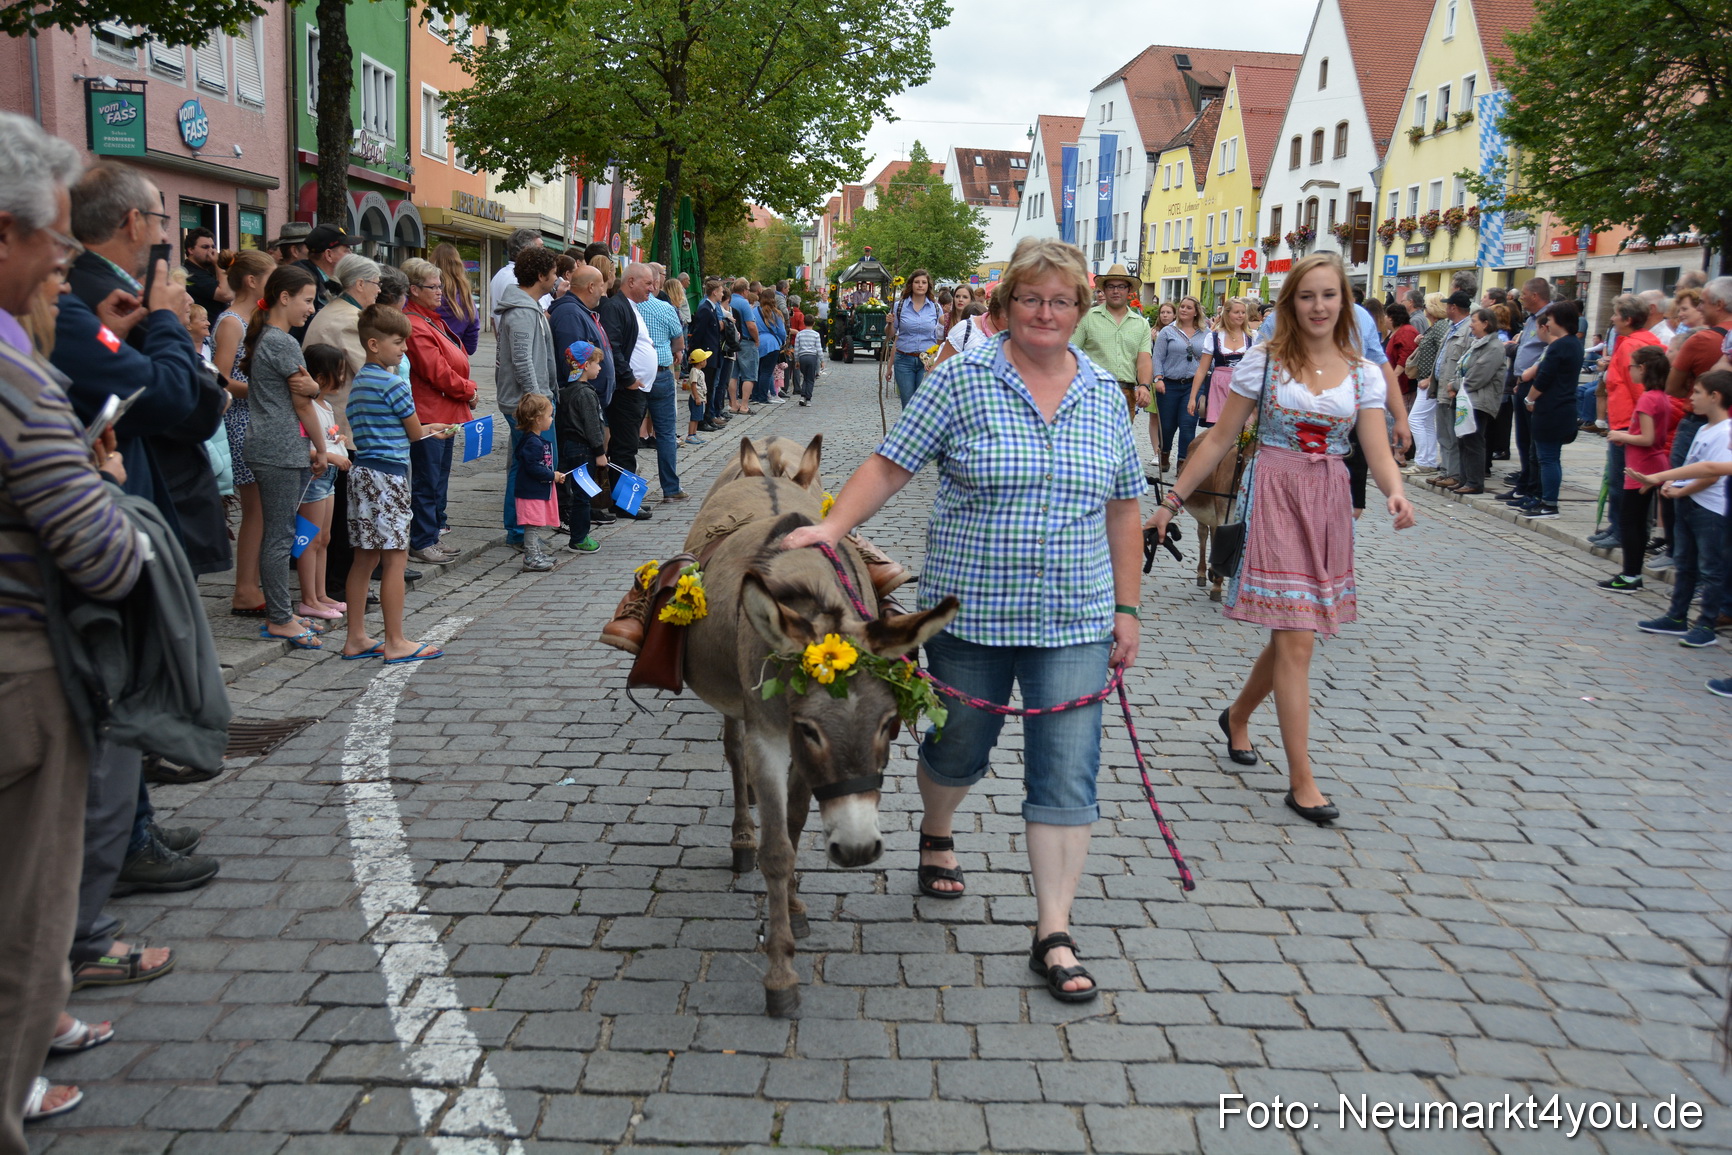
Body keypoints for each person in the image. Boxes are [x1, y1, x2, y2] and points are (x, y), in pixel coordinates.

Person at [783, 238, 1146, 1003]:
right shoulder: (961, 380)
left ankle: (1053, 928)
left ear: (1082, 310)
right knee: (956, 751)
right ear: (1005, 304)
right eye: (1030, 299)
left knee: (1066, 773)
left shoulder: (1106, 395)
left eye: (1060, 301)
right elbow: (891, 462)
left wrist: (1127, 607)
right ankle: (937, 829)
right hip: (973, 611)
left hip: (1075, 617)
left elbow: (1122, 508)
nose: (1045, 313)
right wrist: (828, 524)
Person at [0, 110, 150, 1145]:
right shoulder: (15, 377)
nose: (64, 263)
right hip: (20, 675)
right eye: (54, 242)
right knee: (24, 919)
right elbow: (97, 553)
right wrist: (113, 504)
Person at [1147, 252, 1415, 827]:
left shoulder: (1363, 372)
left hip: (1326, 502)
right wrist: (1171, 502)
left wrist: (1394, 491)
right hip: (1272, 492)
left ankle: (1238, 714)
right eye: (1307, 295)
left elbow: (1373, 445)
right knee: (1297, 637)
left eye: (1329, 295)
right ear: (1291, 303)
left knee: (1297, 630)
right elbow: (1218, 439)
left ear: (1344, 302)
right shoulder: (1264, 365)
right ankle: (1303, 781)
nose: (1319, 306)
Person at [339, 304, 451, 662]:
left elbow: (402, 430)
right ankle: (396, 640)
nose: (404, 349)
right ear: (374, 344)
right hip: (389, 478)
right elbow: (415, 432)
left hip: (363, 472)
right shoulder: (392, 383)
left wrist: (425, 430)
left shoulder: (361, 382)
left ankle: (355, 636)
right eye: (398, 342)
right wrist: (433, 430)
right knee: (395, 560)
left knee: (363, 559)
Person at [239, 264, 330, 645]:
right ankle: (280, 617)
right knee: (280, 536)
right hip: (279, 448)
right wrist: (322, 447)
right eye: (307, 301)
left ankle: (283, 610)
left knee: (280, 533)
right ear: (284, 297)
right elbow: (304, 400)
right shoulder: (282, 342)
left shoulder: (272, 339)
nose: (310, 309)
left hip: (276, 445)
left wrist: (311, 389)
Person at [1625, 371, 1730, 645]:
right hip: (1688, 504)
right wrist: (1673, 481)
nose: (1691, 398)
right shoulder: (1704, 428)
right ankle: (1676, 616)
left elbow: (1711, 474)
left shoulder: (1725, 431)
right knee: (1685, 564)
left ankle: (1706, 625)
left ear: (1715, 397)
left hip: (1709, 509)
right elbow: (1692, 464)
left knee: (1710, 569)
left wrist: (1681, 488)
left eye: (1697, 392)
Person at [400, 256, 477, 565]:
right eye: (433, 287)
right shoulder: (415, 324)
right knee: (427, 478)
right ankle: (421, 539)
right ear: (414, 289)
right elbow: (436, 372)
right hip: (430, 412)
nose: (440, 292)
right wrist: (468, 389)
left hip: (446, 410)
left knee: (439, 478)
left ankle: (431, 534)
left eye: (440, 286)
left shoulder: (432, 318)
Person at [213, 250, 276, 615]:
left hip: (258, 416)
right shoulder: (232, 321)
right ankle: (245, 589)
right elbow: (220, 377)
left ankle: (253, 584)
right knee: (255, 510)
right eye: (270, 278)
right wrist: (262, 389)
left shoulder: (255, 317)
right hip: (241, 420)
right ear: (252, 281)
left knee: (263, 510)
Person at [495, 245, 561, 545]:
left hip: (533, 401)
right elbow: (522, 359)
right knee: (528, 466)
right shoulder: (521, 312)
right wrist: (538, 400)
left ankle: (523, 528)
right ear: (540, 276)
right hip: (527, 404)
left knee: (526, 464)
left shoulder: (529, 307)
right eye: (553, 273)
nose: (556, 278)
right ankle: (520, 530)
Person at [1599, 346, 1677, 593]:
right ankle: (1632, 573)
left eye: (1631, 366)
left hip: (1642, 467)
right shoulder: (1660, 396)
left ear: (1642, 369)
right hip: (1652, 464)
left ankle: (1630, 574)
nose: (1629, 370)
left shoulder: (1646, 398)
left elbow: (1648, 438)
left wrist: (1619, 435)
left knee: (1630, 522)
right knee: (1638, 522)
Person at [293, 344, 351, 619]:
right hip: (314, 476)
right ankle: (308, 598)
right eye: (337, 372)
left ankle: (320, 594)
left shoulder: (325, 405)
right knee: (310, 539)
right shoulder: (306, 406)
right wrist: (330, 455)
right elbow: (299, 446)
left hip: (326, 477)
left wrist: (336, 441)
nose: (341, 378)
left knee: (324, 538)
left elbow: (324, 438)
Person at [1515, 300, 1583, 520]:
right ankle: (1546, 500)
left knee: (1548, 458)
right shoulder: (1573, 344)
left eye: (1551, 320)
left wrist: (1529, 398)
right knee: (1550, 457)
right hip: (1564, 407)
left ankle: (1549, 504)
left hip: (1552, 408)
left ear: (1560, 321)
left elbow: (1543, 378)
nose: (1548, 324)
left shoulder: (1559, 346)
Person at [601, 266, 651, 520]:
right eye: (648, 283)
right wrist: (629, 378)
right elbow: (613, 345)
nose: (652, 289)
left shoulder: (630, 306)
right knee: (625, 447)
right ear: (631, 281)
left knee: (628, 446)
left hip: (636, 391)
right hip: (625, 391)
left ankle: (627, 499)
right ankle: (624, 504)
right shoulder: (615, 306)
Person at [1440, 307, 1508, 494]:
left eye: (1474, 321)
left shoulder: (1494, 347)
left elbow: (1478, 376)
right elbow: (1461, 366)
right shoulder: (1477, 343)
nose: (1471, 325)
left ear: (1486, 323)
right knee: (1463, 439)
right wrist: (1455, 383)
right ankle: (1464, 479)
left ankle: (1475, 482)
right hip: (1466, 399)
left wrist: (1455, 386)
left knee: (1474, 440)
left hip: (1478, 401)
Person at [1074, 264, 1152, 420]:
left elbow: (1143, 360)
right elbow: (1071, 353)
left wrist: (1144, 385)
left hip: (1126, 392)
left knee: (1119, 443)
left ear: (1129, 290)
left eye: (1121, 287)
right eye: (1111, 287)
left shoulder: (1141, 323)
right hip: (1094, 390)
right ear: (1104, 290)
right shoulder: (1087, 318)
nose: (1116, 291)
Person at [555, 339, 607, 553]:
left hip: (568, 447)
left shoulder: (566, 391)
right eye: (597, 364)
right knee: (583, 496)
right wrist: (600, 452)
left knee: (575, 494)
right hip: (583, 450)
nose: (600, 368)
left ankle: (578, 535)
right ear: (585, 366)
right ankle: (579, 538)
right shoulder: (585, 393)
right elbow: (593, 427)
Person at [639, 276, 688, 499]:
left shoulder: (628, 306)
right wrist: (674, 350)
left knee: (627, 434)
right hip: (660, 372)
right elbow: (679, 341)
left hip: (634, 375)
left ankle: (626, 491)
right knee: (666, 433)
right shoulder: (664, 307)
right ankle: (671, 488)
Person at [1421, 292, 1476, 489]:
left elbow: (1469, 362)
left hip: (1453, 390)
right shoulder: (1452, 328)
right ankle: (1445, 470)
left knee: (1453, 435)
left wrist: (1456, 385)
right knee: (1443, 434)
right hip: (1442, 388)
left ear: (1453, 307)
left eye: (1448, 305)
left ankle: (1453, 473)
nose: (1445, 308)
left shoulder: (1468, 329)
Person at [303, 253, 382, 374]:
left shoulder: (333, 308)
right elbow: (372, 374)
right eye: (377, 283)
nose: (379, 290)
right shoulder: (352, 320)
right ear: (360, 284)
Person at [512, 393, 565, 572]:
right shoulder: (532, 443)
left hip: (535, 490)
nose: (551, 419)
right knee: (532, 527)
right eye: (549, 416)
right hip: (530, 492)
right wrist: (553, 476)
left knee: (535, 525)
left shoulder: (533, 440)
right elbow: (533, 468)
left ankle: (535, 554)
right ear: (537, 419)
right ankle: (531, 557)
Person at [1154, 297, 1207, 471]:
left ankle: (1183, 463)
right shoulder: (1168, 331)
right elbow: (1158, 357)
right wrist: (1158, 378)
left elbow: (1209, 359)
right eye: (1182, 307)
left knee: (1187, 424)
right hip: (1169, 384)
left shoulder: (1206, 333)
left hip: (1193, 386)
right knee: (1167, 426)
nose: (1183, 310)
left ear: (1196, 311)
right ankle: (1164, 452)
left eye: (1188, 307)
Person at [1190, 297, 1252, 428]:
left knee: (1244, 431)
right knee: (1218, 429)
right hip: (1219, 386)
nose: (1241, 315)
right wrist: (1192, 397)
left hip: (1244, 386)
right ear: (1227, 313)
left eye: (1243, 312)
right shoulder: (1214, 337)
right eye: (1237, 312)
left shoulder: (1253, 337)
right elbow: (1202, 370)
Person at [1405, 293, 1449, 474]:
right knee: (1427, 422)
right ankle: (1428, 461)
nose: (1424, 309)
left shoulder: (1440, 327)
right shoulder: (1436, 327)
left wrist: (1431, 378)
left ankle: (1423, 460)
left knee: (1415, 419)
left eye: (1426, 305)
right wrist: (1421, 341)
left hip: (1429, 382)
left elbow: (1443, 353)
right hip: (1427, 380)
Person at [887, 269, 943, 406]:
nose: (920, 285)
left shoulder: (936, 308)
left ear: (928, 286)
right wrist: (889, 323)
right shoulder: (899, 306)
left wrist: (937, 358)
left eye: (924, 282)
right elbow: (890, 334)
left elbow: (941, 336)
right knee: (907, 403)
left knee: (923, 404)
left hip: (927, 361)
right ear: (911, 284)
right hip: (904, 359)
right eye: (917, 282)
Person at [431, 241, 480, 355]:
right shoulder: (465, 298)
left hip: (429, 355)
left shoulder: (426, 295)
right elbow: (471, 343)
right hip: (456, 357)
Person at [489, 227, 543, 315]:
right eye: (540, 248)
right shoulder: (521, 278)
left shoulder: (499, 275)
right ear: (527, 250)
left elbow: (493, 318)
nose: (544, 252)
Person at [180, 226, 232, 316]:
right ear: (191, 250)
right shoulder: (190, 274)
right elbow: (226, 295)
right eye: (205, 247)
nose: (211, 251)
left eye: (213, 247)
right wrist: (218, 263)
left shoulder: (204, 271)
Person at [728, 277, 761, 414]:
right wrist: (757, 340)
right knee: (749, 375)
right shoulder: (744, 303)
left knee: (733, 375)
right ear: (744, 290)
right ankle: (744, 405)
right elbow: (751, 325)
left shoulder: (729, 301)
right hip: (746, 342)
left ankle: (733, 403)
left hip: (732, 342)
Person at [756, 286, 788, 404]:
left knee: (759, 371)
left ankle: (756, 395)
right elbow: (781, 332)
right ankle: (764, 396)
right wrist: (782, 342)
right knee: (767, 372)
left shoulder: (755, 311)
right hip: (772, 344)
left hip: (758, 342)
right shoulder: (776, 313)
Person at [793, 321, 823, 404]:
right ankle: (808, 398)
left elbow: (796, 348)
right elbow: (819, 348)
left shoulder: (799, 334)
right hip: (812, 357)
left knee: (805, 377)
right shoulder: (816, 334)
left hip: (802, 357)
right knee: (810, 378)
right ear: (813, 323)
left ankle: (803, 396)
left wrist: (796, 360)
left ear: (804, 323)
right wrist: (822, 360)